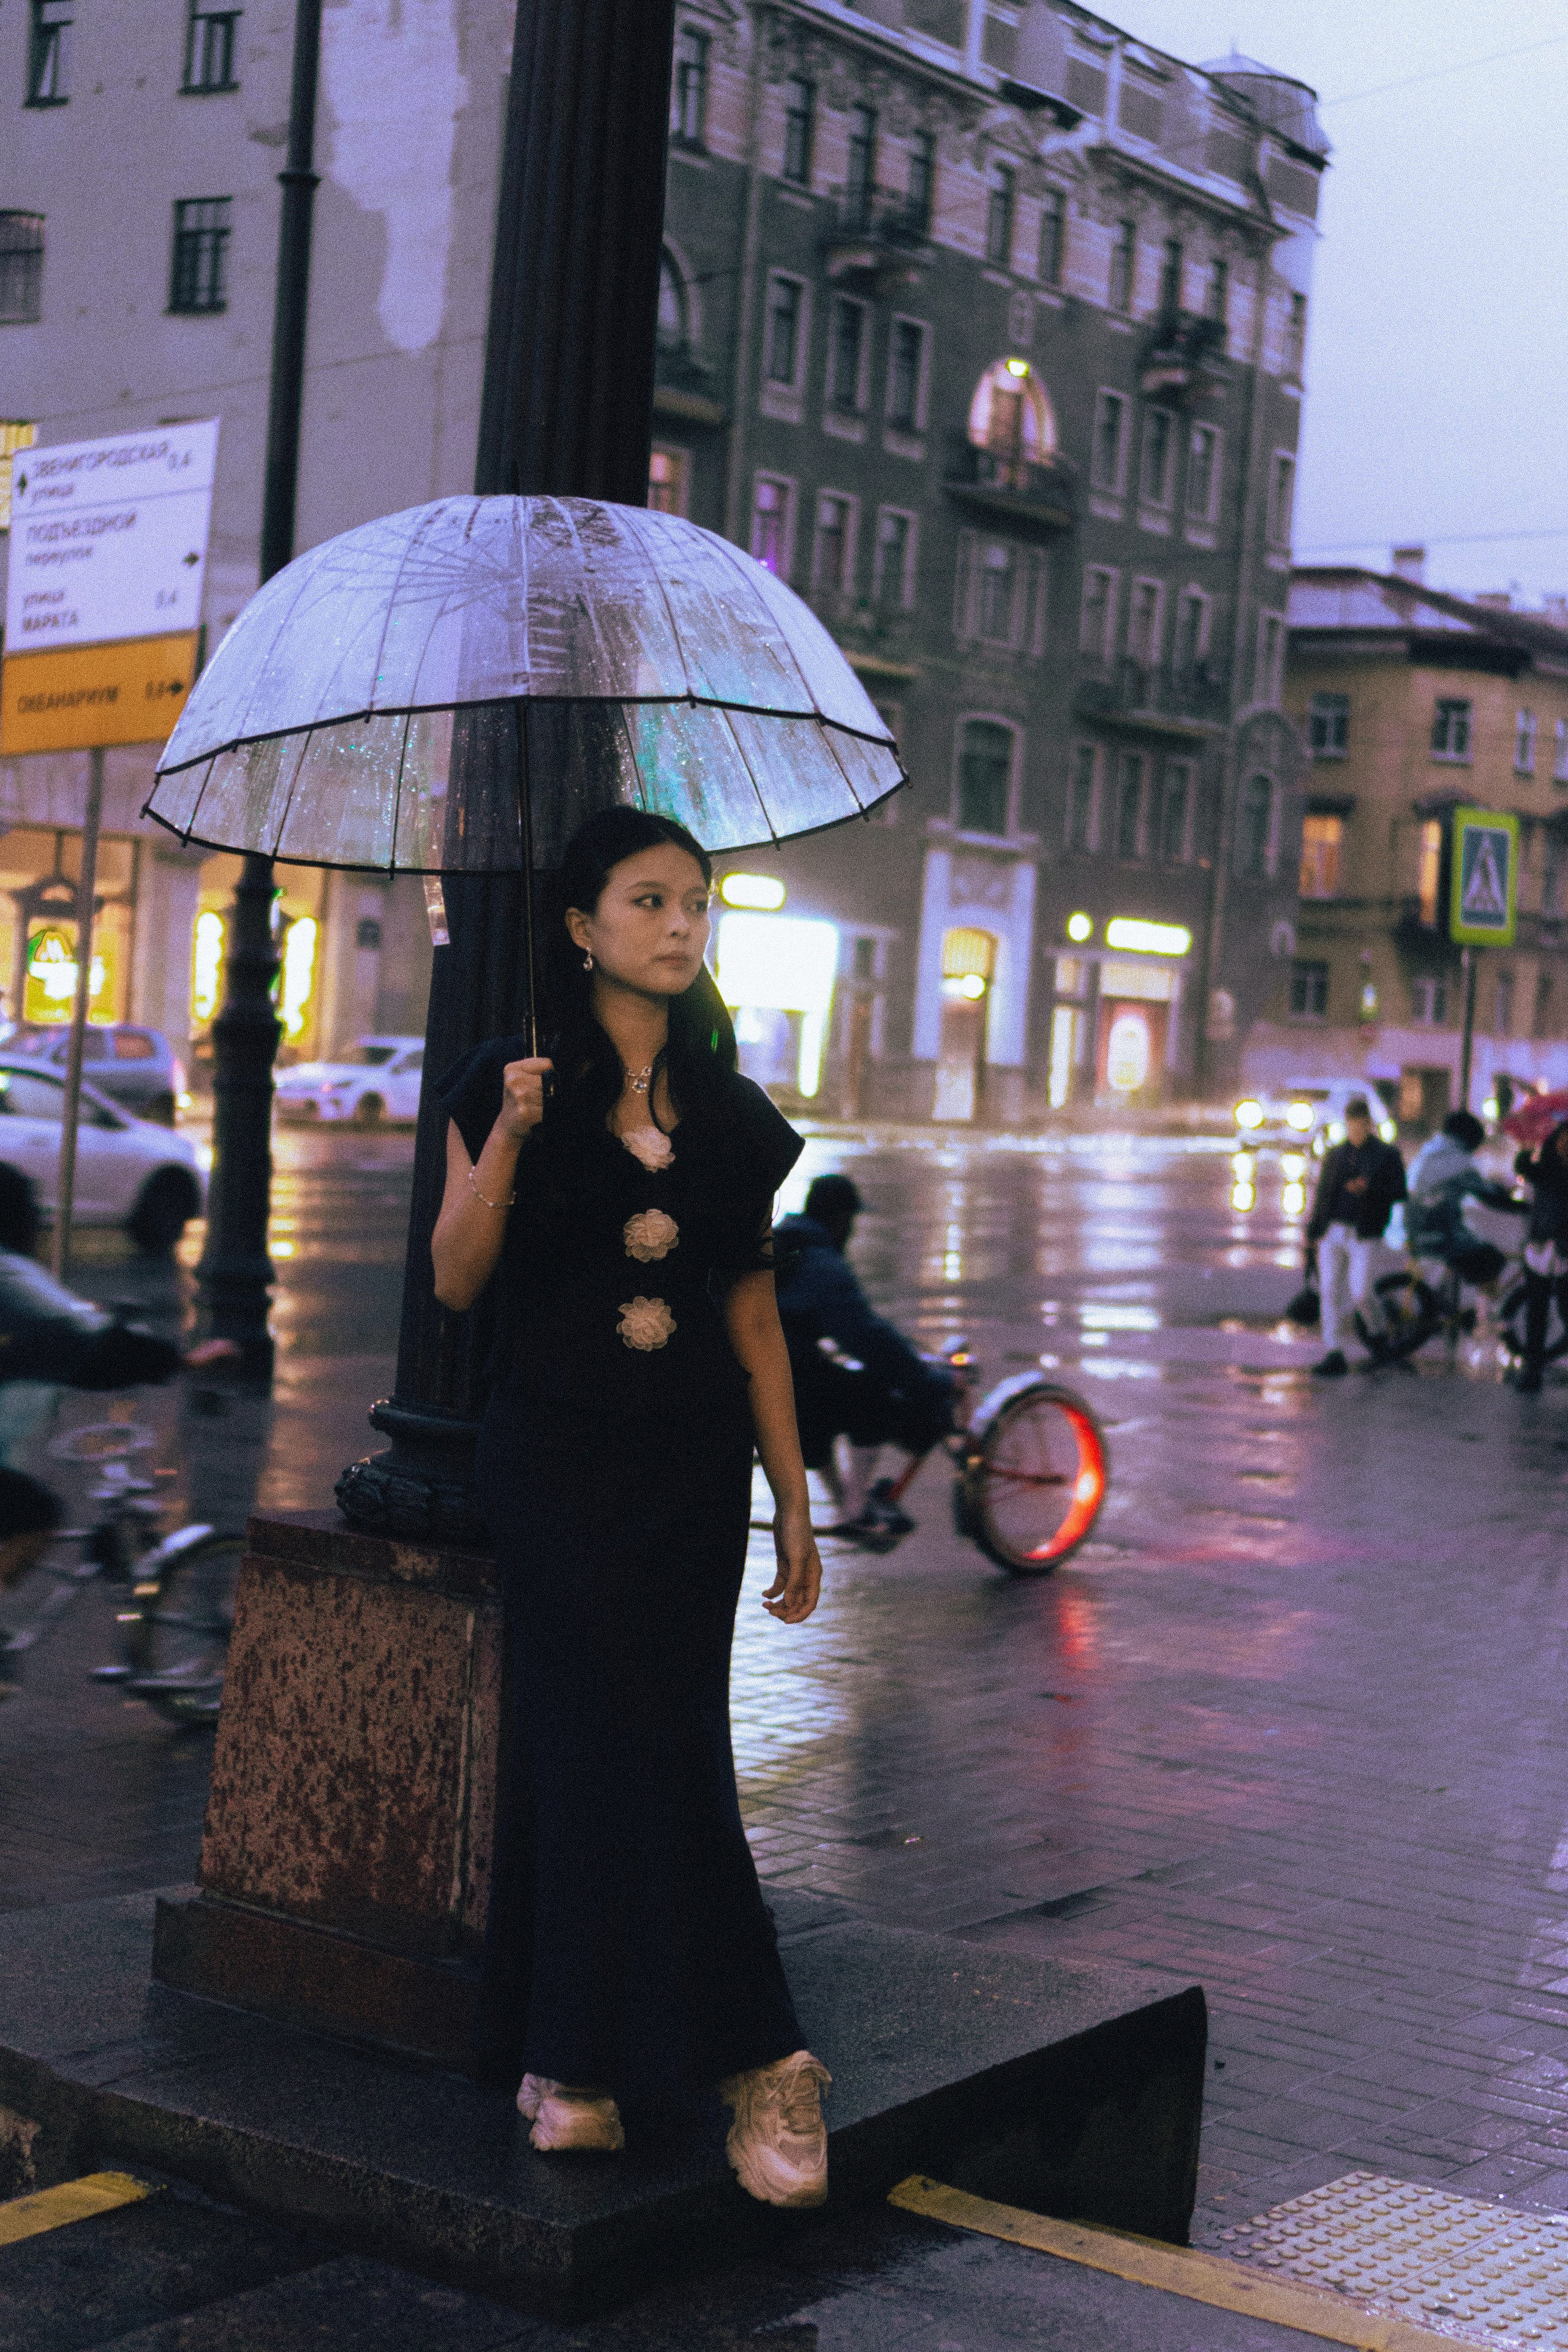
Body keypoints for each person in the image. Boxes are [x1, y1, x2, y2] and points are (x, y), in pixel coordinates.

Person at [431, 808, 831, 2209]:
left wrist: (792, 1503)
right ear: (580, 925)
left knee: (659, 1744)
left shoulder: (727, 1113)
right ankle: (757, 2056)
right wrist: (511, 1144)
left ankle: (573, 2058)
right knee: (603, 1742)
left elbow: (753, 1319)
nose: (679, 924)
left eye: (696, 902)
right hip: (551, 1462)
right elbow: (456, 1279)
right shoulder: (504, 1079)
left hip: (685, 1473)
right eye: (647, 899)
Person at [772, 1173, 954, 1540]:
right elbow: (870, 1340)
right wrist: (931, 1381)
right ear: (841, 1221)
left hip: (750, 1372)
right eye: (852, 1222)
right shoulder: (823, 1265)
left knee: (814, 1386)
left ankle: (843, 1502)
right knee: (872, 1390)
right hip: (783, 1377)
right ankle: (855, 1505)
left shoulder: (779, 1242)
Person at [1304, 1095, 1408, 1378]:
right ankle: (1334, 1351)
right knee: (1330, 1290)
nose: (1356, 1130)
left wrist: (1370, 1190)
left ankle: (1377, 1334)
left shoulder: (1386, 1155)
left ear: (1369, 1124)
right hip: (1334, 1229)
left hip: (1365, 1231)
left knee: (1361, 1290)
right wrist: (1313, 1229)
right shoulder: (1336, 1155)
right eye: (1352, 1124)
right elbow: (1324, 1194)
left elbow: (1400, 1191)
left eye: (1361, 1124)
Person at [1404, 1110, 1521, 1287]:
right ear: (1469, 1138)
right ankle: (1485, 1315)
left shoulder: (1427, 1152)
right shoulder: (1460, 1161)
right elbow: (1489, 1196)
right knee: (1493, 1260)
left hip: (1411, 1231)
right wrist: (1524, 1206)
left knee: (1468, 1245)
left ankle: (1446, 1302)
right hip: (1441, 1236)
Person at [1510, 1117, 1568, 1392]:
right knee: (1537, 1311)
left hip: (1565, 1249)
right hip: (1542, 1246)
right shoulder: (1547, 1168)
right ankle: (1533, 1370)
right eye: (1562, 1139)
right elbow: (1522, 1167)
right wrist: (1526, 1146)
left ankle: (1538, 1365)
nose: (1564, 1145)